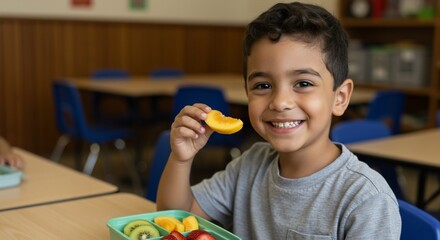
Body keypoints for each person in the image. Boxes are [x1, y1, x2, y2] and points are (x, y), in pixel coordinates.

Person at [157, 2, 401, 239]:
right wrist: (182, 158)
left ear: (340, 97)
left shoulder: (365, 198)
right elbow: (177, 220)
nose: (280, 102)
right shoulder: (250, 165)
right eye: (263, 85)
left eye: (303, 83)